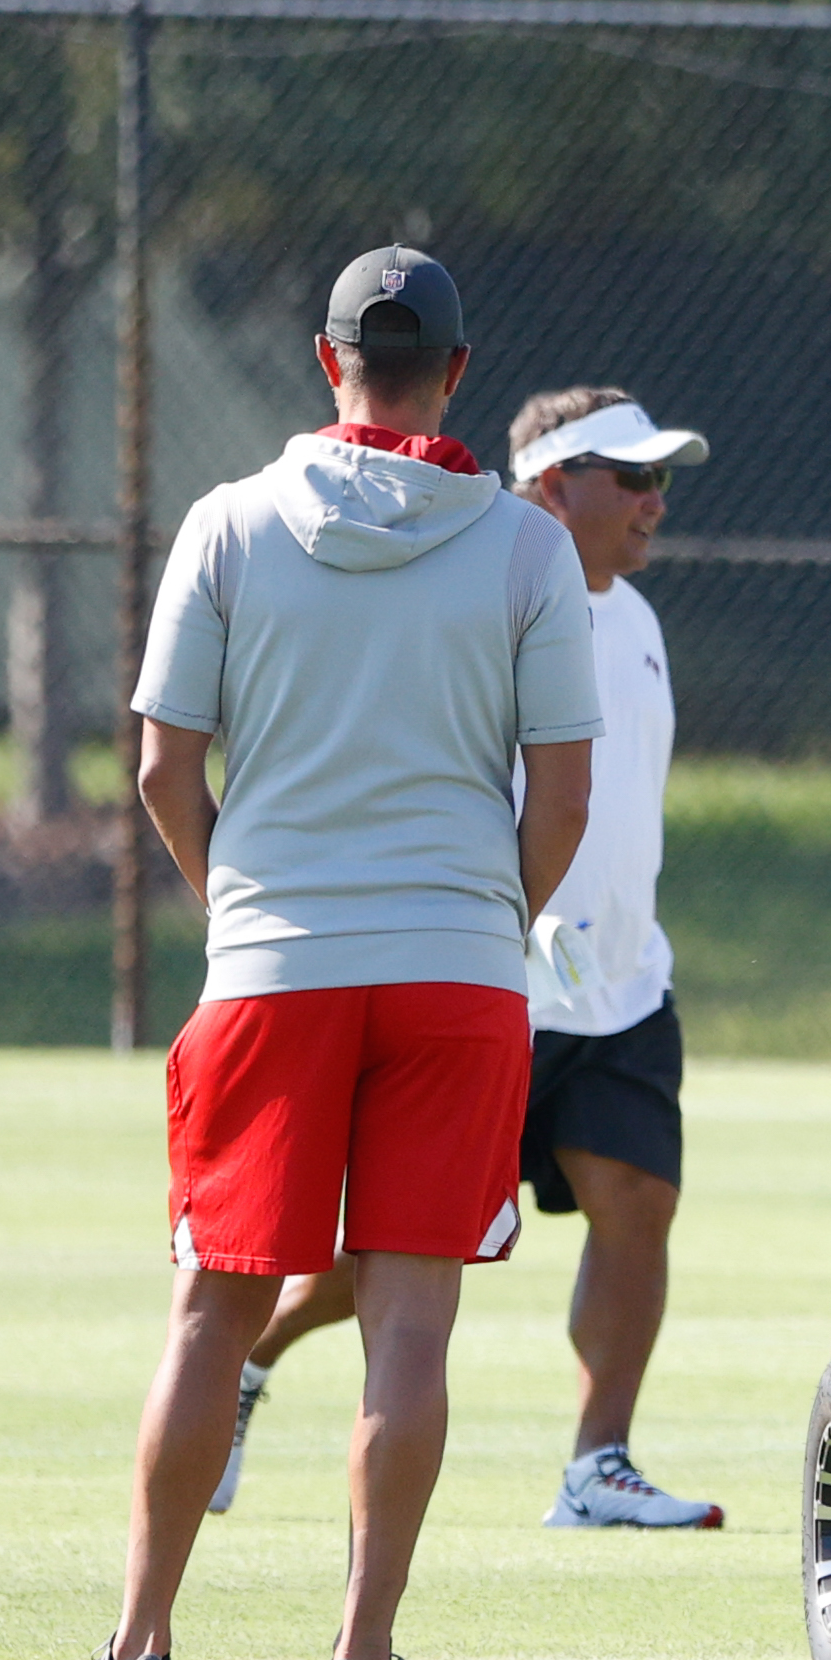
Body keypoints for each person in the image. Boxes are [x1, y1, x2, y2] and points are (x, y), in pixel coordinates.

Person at [68, 247, 599, 1660]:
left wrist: (237, 903)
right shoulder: (527, 549)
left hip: (272, 967)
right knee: (410, 1328)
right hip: (456, 973)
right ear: (460, 371)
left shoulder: (230, 525)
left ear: (325, 361)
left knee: (208, 1320)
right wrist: (496, 918)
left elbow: (165, 763)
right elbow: (561, 799)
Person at [213, 391, 722, 1531]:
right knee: (398, 1247)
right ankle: (247, 1361)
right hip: (484, 972)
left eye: (660, 481)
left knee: (636, 1204)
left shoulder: (636, 619)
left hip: (623, 986)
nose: (652, 501)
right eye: (626, 478)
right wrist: (515, 920)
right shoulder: (492, 596)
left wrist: (613, 945)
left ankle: (598, 1464)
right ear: (549, 485)